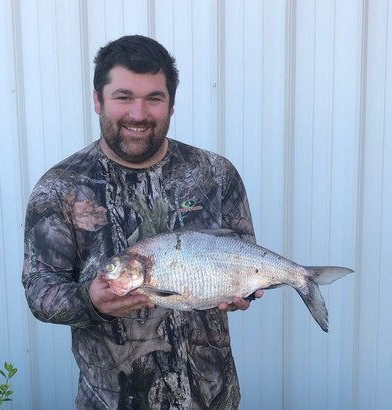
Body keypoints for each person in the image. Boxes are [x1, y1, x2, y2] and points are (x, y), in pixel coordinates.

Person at [22, 34, 263, 410]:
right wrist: (92, 301)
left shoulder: (215, 174)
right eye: (123, 97)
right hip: (111, 401)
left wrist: (242, 290)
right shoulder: (59, 188)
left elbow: (244, 254)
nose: (138, 113)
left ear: (171, 104)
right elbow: (40, 292)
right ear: (97, 100)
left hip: (211, 398)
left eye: (154, 98)